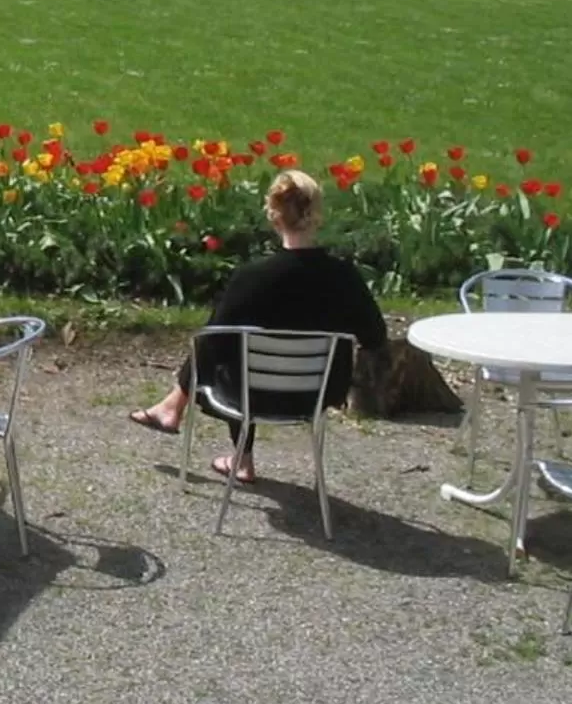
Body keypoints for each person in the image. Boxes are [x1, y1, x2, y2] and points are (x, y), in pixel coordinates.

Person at [127, 168, 388, 482]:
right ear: (316, 214)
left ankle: (224, 445)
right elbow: (375, 337)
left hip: (252, 395)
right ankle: (177, 410)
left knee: (224, 343)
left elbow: (214, 347)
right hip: (317, 394)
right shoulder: (345, 277)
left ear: (273, 215)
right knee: (229, 345)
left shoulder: (253, 277)